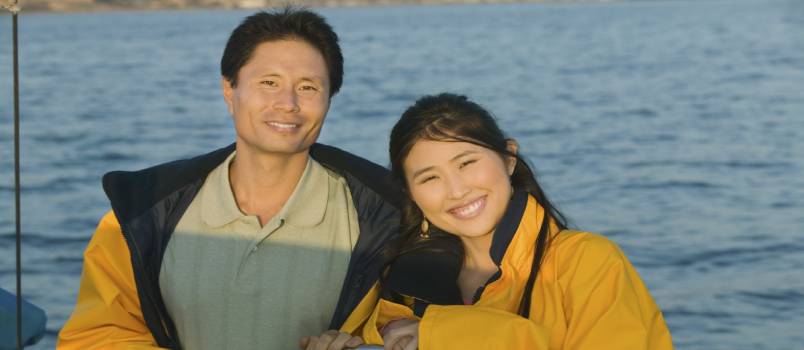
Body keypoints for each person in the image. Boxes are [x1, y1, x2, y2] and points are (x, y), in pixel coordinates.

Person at [57, 8, 398, 350]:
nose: (288, 103)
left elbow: (406, 327)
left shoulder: (387, 218)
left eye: (308, 87)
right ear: (228, 90)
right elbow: (96, 336)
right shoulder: (142, 212)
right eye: (269, 83)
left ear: (328, 100)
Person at [334, 93, 673, 349]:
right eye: (429, 178)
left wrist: (445, 334)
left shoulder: (587, 262)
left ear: (509, 158)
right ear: (411, 194)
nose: (457, 190)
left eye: (466, 163)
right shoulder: (401, 285)